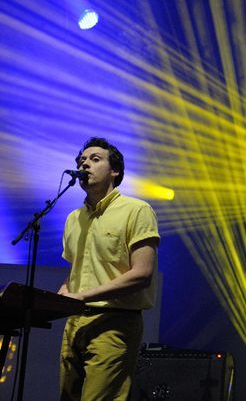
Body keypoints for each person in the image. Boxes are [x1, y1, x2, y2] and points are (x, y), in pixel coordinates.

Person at [57, 137, 160, 400]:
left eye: (95, 159)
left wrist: (83, 296)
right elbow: (76, 273)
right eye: (82, 160)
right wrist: (61, 295)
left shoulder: (137, 210)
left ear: (114, 170)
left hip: (114, 322)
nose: (85, 164)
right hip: (74, 323)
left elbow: (142, 274)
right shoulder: (73, 219)